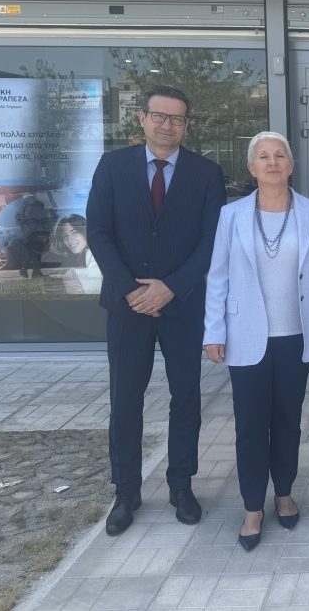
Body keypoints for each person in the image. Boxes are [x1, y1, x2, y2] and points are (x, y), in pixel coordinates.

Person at [87, 84, 226, 537]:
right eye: (160, 116)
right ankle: (126, 491)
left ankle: (181, 486)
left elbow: (211, 240)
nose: (168, 125)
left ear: (186, 125)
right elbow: (99, 233)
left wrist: (171, 288)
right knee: (125, 399)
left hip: (182, 306)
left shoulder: (207, 173)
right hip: (127, 306)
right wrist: (131, 291)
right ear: (143, 119)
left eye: (177, 118)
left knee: (186, 397)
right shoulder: (112, 166)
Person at [203, 132, 309, 552]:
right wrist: (214, 331)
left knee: (287, 422)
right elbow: (217, 277)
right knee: (250, 426)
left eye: (280, 155)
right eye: (263, 156)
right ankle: (251, 508)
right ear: (252, 167)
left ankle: (283, 493)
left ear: (291, 165)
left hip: (296, 336)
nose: (273, 162)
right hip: (245, 336)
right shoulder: (231, 215)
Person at [5, 195, 57, 278]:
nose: (40, 229)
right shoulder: (11, 255)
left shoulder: (63, 251)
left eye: (46, 222)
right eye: (32, 222)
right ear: (22, 225)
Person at [55, 214, 103, 294]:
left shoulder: (96, 255)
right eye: (65, 236)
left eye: (75, 232)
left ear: (85, 232)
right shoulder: (77, 259)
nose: (70, 240)